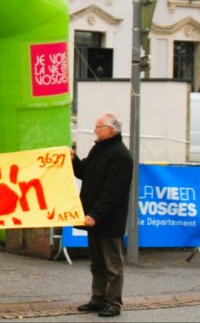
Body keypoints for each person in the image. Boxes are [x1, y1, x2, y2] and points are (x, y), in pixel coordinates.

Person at [71, 112, 133, 318]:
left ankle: (114, 303)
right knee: (97, 263)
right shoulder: (99, 149)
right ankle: (98, 298)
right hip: (94, 218)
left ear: (110, 129)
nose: (95, 130)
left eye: (98, 127)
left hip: (108, 219)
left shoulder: (121, 155)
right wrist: (73, 159)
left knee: (112, 265)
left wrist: (95, 215)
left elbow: (112, 192)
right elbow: (84, 172)